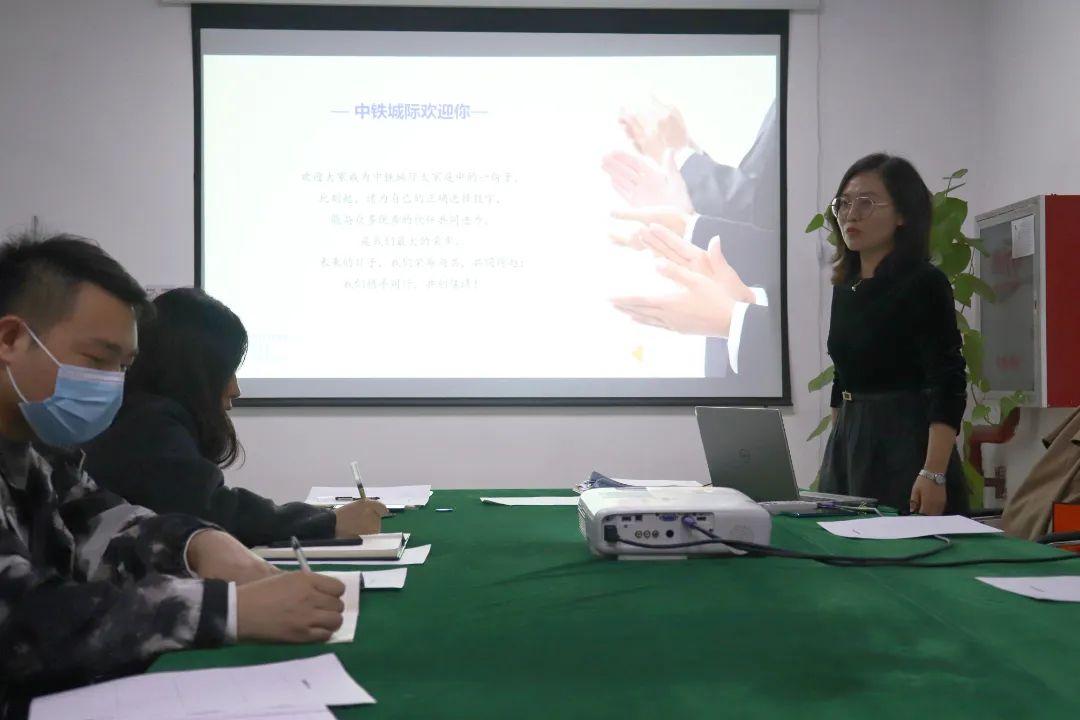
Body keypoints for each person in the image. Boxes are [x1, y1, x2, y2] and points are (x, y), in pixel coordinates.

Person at [0, 233, 347, 719]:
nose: (111, 383)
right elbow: (23, 620)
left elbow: (102, 524)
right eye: (97, 361)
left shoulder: (45, 450)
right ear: (11, 339)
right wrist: (225, 611)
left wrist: (198, 543)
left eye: (122, 367)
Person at [84, 288, 387, 548]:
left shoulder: (142, 415)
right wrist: (328, 522)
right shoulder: (148, 424)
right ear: (192, 372)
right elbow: (214, 513)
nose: (235, 389)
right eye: (225, 372)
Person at [818, 154, 970, 515]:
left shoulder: (923, 282)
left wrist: (933, 473)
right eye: (844, 203)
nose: (850, 214)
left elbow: (947, 381)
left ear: (903, 214)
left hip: (905, 442)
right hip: (850, 441)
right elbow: (844, 377)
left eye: (866, 203)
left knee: (901, 543)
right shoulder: (847, 285)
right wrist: (837, 452)